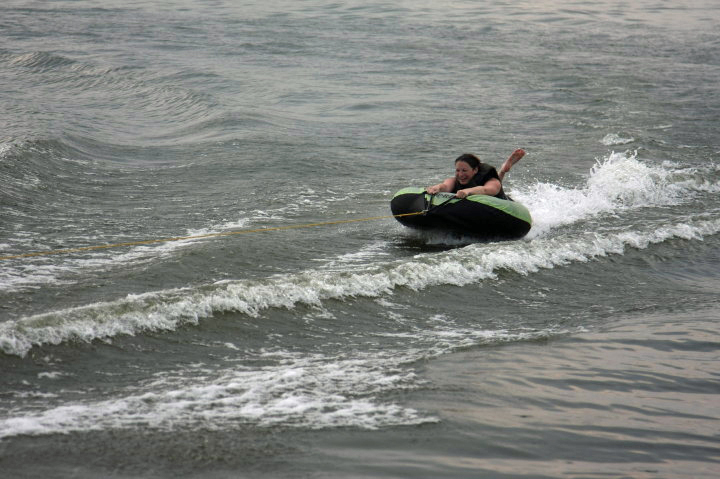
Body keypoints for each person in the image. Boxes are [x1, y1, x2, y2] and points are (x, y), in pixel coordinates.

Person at [426, 149, 525, 200]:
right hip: (471, 204)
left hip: (499, 203)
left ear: (475, 170)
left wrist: (467, 191)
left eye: (464, 170)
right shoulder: (453, 180)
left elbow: (486, 190)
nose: (460, 174)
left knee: (497, 183)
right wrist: (437, 188)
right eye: (457, 170)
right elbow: (445, 186)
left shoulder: (492, 181)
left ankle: (503, 170)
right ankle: (502, 170)